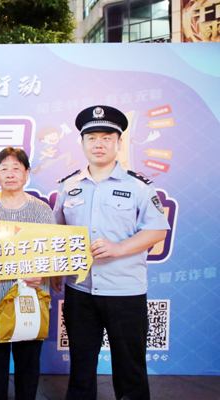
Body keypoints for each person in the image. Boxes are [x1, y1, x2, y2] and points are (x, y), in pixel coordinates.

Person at [53, 106, 170, 400]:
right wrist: (55, 269)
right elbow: (57, 232)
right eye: (92, 138)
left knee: (130, 367)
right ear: (82, 143)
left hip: (125, 291)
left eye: (107, 138)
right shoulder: (69, 186)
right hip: (80, 289)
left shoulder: (138, 186)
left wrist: (118, 248)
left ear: (119, 142)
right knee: (81, 365)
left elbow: (157, 230)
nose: (99, 144)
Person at [0, 147, 59, 400]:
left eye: (16, 168)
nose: (10, 174)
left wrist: (41, 273)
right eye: (4, 169)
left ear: (27, 173)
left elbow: (54, 252)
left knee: (28, 364)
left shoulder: (42, 210)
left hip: (30, 299)